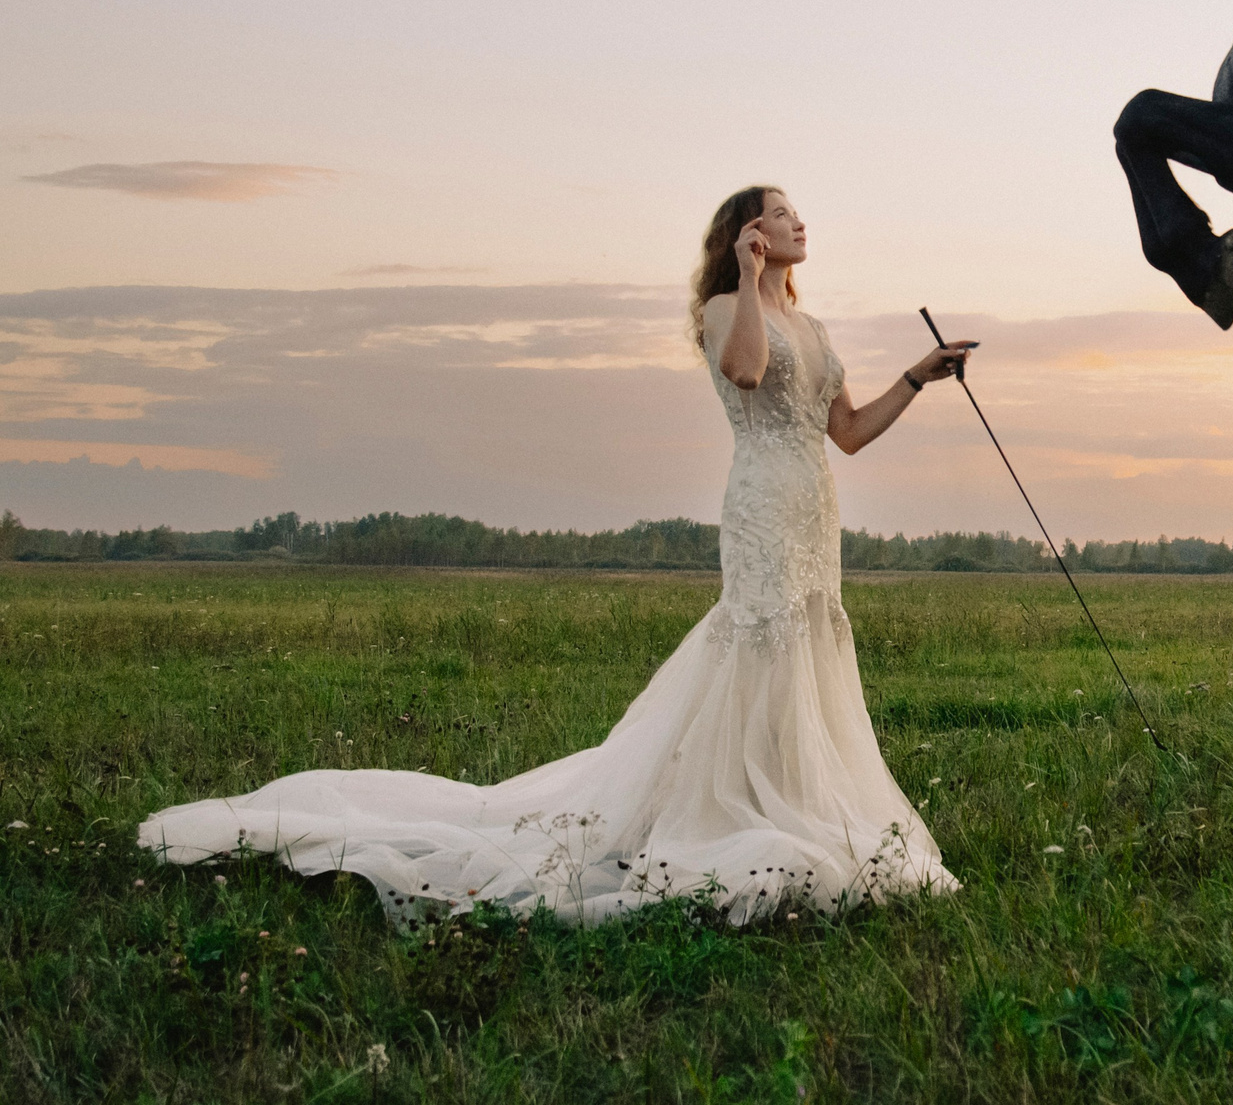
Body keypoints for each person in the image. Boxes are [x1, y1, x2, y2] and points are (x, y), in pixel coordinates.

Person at [139, 184, 978, 927]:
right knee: (757, 638)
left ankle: (793, 796)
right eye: (782, 214)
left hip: (813, 507)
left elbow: (850, 433)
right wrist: (749, 278)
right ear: (746, 234)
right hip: (760, 500)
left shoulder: (817, 326)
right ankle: (723, 807)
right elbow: (749, 374)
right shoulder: (728, 312)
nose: (801, 221)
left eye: (798, 213)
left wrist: (918, 376)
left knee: (805, 642)